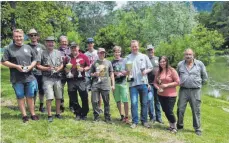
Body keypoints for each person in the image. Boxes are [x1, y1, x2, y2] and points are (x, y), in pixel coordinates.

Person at [1, 29, 39, 123]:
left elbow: (35, 59)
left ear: (23, 37)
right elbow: (3, 61)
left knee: (30, 96)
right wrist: (16, 66)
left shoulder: (28, 47)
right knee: (20, 96)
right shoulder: (9, 48)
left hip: (29, 77)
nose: (18, 38)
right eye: (16, 36)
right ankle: (24, 115)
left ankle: (33, 114)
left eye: (20, 36)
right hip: (16, 78)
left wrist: (31, 66)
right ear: (13, 37)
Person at [177, 48, 208, 136]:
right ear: (184, 55)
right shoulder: (180, 64)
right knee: (180, 108)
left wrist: (199, 85)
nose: (188, 56)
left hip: (195, 91)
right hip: (183, 90)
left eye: (190, 54)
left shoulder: (199, 64)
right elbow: (177, 75)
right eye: (186, 54)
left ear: (193, 55)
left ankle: (197, 128)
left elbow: (205, 76)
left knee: (196, 110)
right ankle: (179, 125)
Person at [123, 40, 153, 128]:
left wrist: (145, 71)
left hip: (143, 83)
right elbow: (123, 71)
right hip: (132, 84)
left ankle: (144, 121)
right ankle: (135, 121)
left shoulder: (144, 56)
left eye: (136, 46)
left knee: (144, 103)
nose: (134, 48)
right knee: (134, 103)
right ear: (130, 47)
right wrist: (127, 72)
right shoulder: (127, 58)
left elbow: (150, 67)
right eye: (133, 46)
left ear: (138, 46)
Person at [37, 36, 63, 122]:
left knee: (59, 96)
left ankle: (58, 113)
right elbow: (38, 65)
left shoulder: (58, 53)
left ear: (54, 43)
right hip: (47, 78)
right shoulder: (41, 53)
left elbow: (62, 64)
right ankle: (49, 115)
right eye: (48, 42)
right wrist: (46, 68)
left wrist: (59, 69)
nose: (50, 43)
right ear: (45, 43)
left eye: (52, 42)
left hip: (57, 78)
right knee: (49, 96)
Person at [153, 56, 180, 133]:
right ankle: (171, 126)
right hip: (161, 95)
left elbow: (178, 82)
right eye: (161, 61)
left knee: (169, 111)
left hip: (171, 95)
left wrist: (167, 85)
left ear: (167, 61)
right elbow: (155, 82)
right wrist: (158, 88)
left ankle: (174, 127)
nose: (162, 63)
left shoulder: (172, 70)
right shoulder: (158, 71)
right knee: (165, 110)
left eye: (164, 61)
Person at [65, 42, 90, 120]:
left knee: (84, 96)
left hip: (81, 79)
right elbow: (65, 68)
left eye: (75, 47)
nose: (74, 49)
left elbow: (88, 66)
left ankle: (85, 113)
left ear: (78, 48)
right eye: (72, 48)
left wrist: (83, 69)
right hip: (71, 80)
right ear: (70, 49)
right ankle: (77, 113)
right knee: (73, 98)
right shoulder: (67, 58)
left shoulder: (84, 56)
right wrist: (67, 70)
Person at [90, 48, 115, 123]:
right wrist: (94, 74)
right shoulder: (95, 63)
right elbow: (91, 73)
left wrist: (113, 84)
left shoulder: (108, 62)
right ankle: (96, 116)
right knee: (94, 101)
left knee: (106, 101)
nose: (102, 54)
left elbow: (111, 74)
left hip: (105, 84)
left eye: (103, 53)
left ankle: (107, 117)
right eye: (100, 53)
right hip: (96, 84)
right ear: (97, 53)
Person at [27, 28, 46, 112]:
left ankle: (41, 106)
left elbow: (45, 58)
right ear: (29, 37)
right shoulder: (26, 47)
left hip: (41, 72)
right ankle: (33, 106)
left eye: (35, 35)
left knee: (41, 90)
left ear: (37, 36)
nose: (33, 36)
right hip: (30, 72)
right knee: (32, 90)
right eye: (31, 35)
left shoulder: (42, 46)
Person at [84, 38, 103, 113]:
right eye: (88, 43)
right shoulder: (85, 54)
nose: (90, 44)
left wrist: (100, 73)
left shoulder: (97, 53)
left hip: (96, 75)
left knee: (98, 92)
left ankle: (99, 107)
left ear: (93, 44)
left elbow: (101, 63)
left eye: (91, 42)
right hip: (87, 75)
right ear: (87, 44)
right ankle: (87, 107)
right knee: (86, 92)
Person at [111, 46, 129, 123]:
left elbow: (129, 71)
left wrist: (123, 73)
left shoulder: (125, 60)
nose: (117, 53)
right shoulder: (111, 62)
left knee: (125, 100)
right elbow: (110, 73)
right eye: (115, 52)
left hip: (123, 83)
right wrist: (115, 73)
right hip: (115, 83)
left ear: (120, 52)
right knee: (118, 100)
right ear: (113, 53)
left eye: (118, 52)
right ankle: (121, 115)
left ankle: (127, 116)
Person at [146, 44, 163, 124]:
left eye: (151, 49)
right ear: (147, 51)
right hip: (149, 83)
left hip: (157, 84)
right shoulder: (145, 59)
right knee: (150, 100)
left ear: (154, 50)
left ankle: (159, 118)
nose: (150, 51)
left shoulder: (158, 59)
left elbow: (162, 70)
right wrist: (146, 83)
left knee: (158, 101)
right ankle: (152, 117)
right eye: (149, 50)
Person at [58, 35, 71, 112]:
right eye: (62, 42)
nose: (64, 43)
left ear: (67, 42)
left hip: (70, 73)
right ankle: (61, 105)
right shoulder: (56, 51)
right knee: (60, 90)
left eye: (65, 42)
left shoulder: (71, 50)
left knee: (71, 90)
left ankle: (72, 105)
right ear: (60, 42)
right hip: (61, 73)